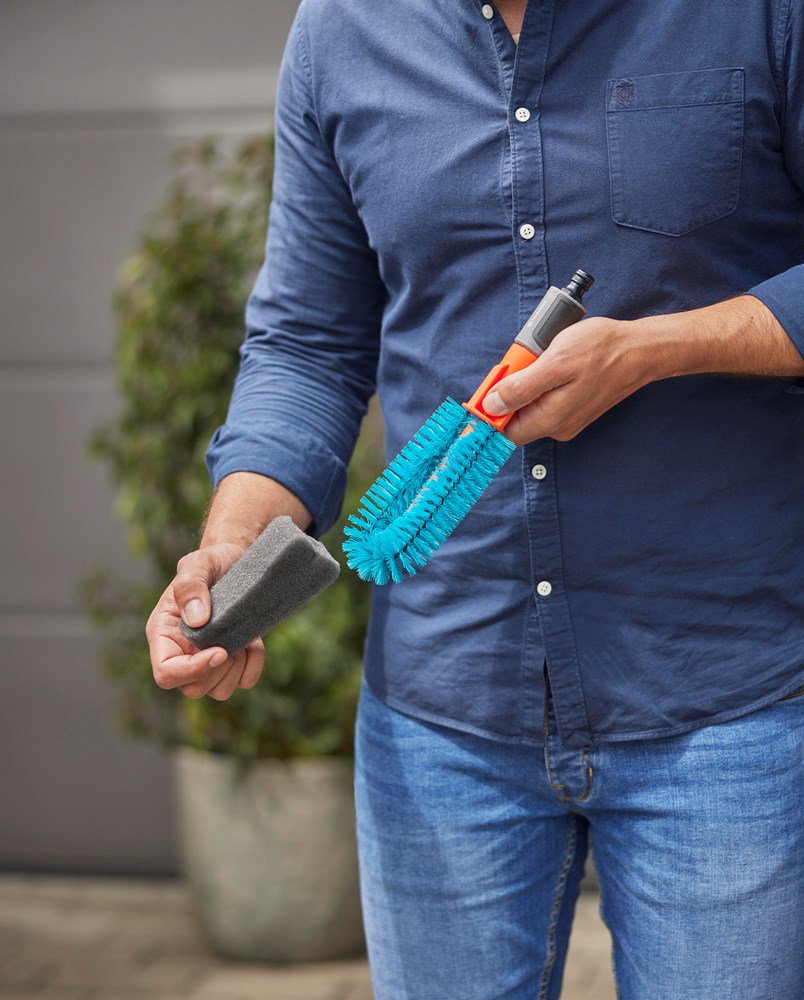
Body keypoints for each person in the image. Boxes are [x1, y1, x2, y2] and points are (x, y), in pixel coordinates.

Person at [146, 1, 804, 996]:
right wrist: (236, 542)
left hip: (725, 701)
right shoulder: (343, 32)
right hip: (440, 714)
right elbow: (307, 343)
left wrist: (657, 349)